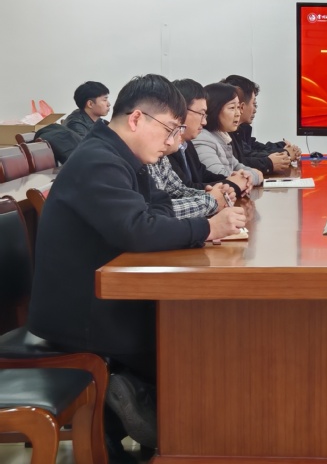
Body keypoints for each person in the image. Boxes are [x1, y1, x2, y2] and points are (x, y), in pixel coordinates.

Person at [27, 74, 246, 463]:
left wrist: (191, 226)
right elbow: (138, 229)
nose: (172, 142)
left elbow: (156, 208)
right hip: (82, 315)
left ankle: (158, 419)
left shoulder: (121, 156)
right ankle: (169, 429)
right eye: (169, 129)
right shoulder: (98, 160)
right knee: (193, 342)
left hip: (102, 297)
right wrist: (208, 229)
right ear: (136, 119)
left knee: (198, 334)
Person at [168, 78, 252, 198]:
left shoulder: (187, 144)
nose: (204, 121)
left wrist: (233, 179)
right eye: (201, 114)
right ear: (181, 111)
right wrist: (233, 184)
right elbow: (185, 189)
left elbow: (203, 174)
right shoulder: (167, 148)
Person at [222, 74, 299, 174]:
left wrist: (282, 147)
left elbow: (253, 149)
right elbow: (241, 161)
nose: (255, 110)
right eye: (254, 104)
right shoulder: (220, 133)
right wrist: (283, 154)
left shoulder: (240, 129)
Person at [192, 82, 264, 186]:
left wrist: (253, 175)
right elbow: (222, 177)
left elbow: (238, 166)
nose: (238, 113)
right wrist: (255, 176)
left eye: (238, 107)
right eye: (232, 108)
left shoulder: (221, 137)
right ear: (214, 109)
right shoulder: (203, 139)